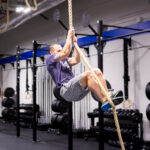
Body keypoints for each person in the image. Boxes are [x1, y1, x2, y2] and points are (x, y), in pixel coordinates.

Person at [46, 28, 123, 111]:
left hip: (77, 92)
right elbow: (65, 52)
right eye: (58, 50)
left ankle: (107, 97)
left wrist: (75, 44)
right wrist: (69, 36)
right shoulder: (50, 60)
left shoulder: (65, 60)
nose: (61, 51)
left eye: (61, 49)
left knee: (97, 71)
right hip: (66, 90)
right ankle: (104, 100)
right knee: (88, 74)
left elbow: (77, 60)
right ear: (52, 52)